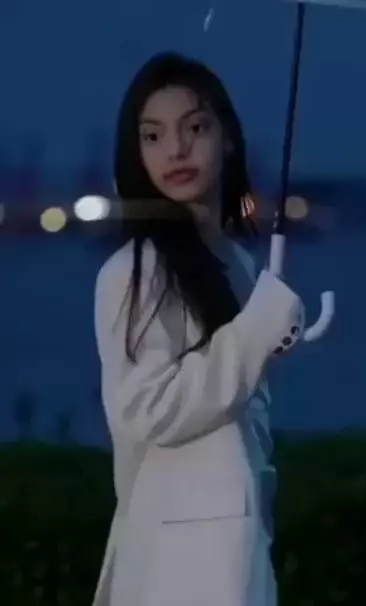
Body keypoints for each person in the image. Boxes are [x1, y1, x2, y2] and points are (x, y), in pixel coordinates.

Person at [92, 52, 304, 606]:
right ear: (136, 153)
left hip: (239, 547)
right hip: (175, 558)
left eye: (195, 128)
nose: (176, 150)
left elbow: (244, 420)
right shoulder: (134, 271)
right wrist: (256, 332)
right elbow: (147, 408)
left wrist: (272, 334)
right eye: (153, 135)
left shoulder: (240, 265)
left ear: (227, 137)